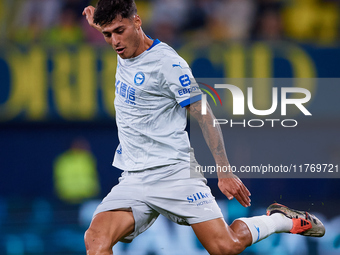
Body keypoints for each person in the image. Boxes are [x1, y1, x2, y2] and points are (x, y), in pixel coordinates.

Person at [82, 1, 325, 254]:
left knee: (225, 247)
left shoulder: (168, 64)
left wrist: (224, 170)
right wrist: (98, 24)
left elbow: (205, 116)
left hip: (173, 173)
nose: (115, 42)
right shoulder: (123, 43)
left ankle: (280, 219)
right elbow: (111, 27)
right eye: (107, 35)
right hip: (134, 177)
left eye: (119, 31)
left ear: (137, 22)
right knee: (96, 241)